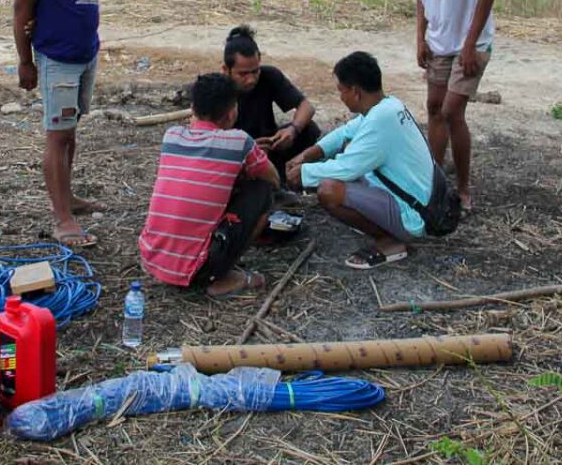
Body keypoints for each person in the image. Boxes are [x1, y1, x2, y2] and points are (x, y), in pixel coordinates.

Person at [12, 0, 115, 248]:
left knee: (70, 133)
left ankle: (68, 199)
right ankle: (62, 218)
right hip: (56, 58)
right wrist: (25, 60)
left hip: (85, 52)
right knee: (57, 137)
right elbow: (22, 8)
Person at [384, 0, 495, 212]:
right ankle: (432, 181)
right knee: (433, 108)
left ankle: (462, 190)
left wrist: (471, 45)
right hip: (438, 41)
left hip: (470, 42)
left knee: (451, 112)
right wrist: (420, 37)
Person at [286, 52, 433, 269]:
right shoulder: (387, 105)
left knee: (329, 190)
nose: (340, 96)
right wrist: (307, 155)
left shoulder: (380, 120)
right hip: (414, 196)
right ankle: (379, 221)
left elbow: (347, 168)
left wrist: (303, 173)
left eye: (340, 90)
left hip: (412, 214)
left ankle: (390, 240)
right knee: (347, 149)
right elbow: (345, 132)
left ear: (355, 91)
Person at [140, 73, 279, 297]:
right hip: (197, 268)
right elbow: (273, 179)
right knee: (261, 191)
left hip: (153, 259)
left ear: (193, 108)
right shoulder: (239, 141)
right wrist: (252, 160)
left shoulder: (171, 136)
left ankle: (192, 264)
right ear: (232, 111)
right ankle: (222, 276)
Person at [221, 25, 319, 183]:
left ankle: (280, 176)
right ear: (226, 70)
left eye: (255, 71)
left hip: (270, 146)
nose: (251, 79)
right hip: (236, 153)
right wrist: (248, 148)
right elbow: (209, 136)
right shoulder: (217, 88)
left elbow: (306, 107)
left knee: (308, 129)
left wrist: (292, 130)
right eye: (243, 74)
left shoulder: (269, 76)